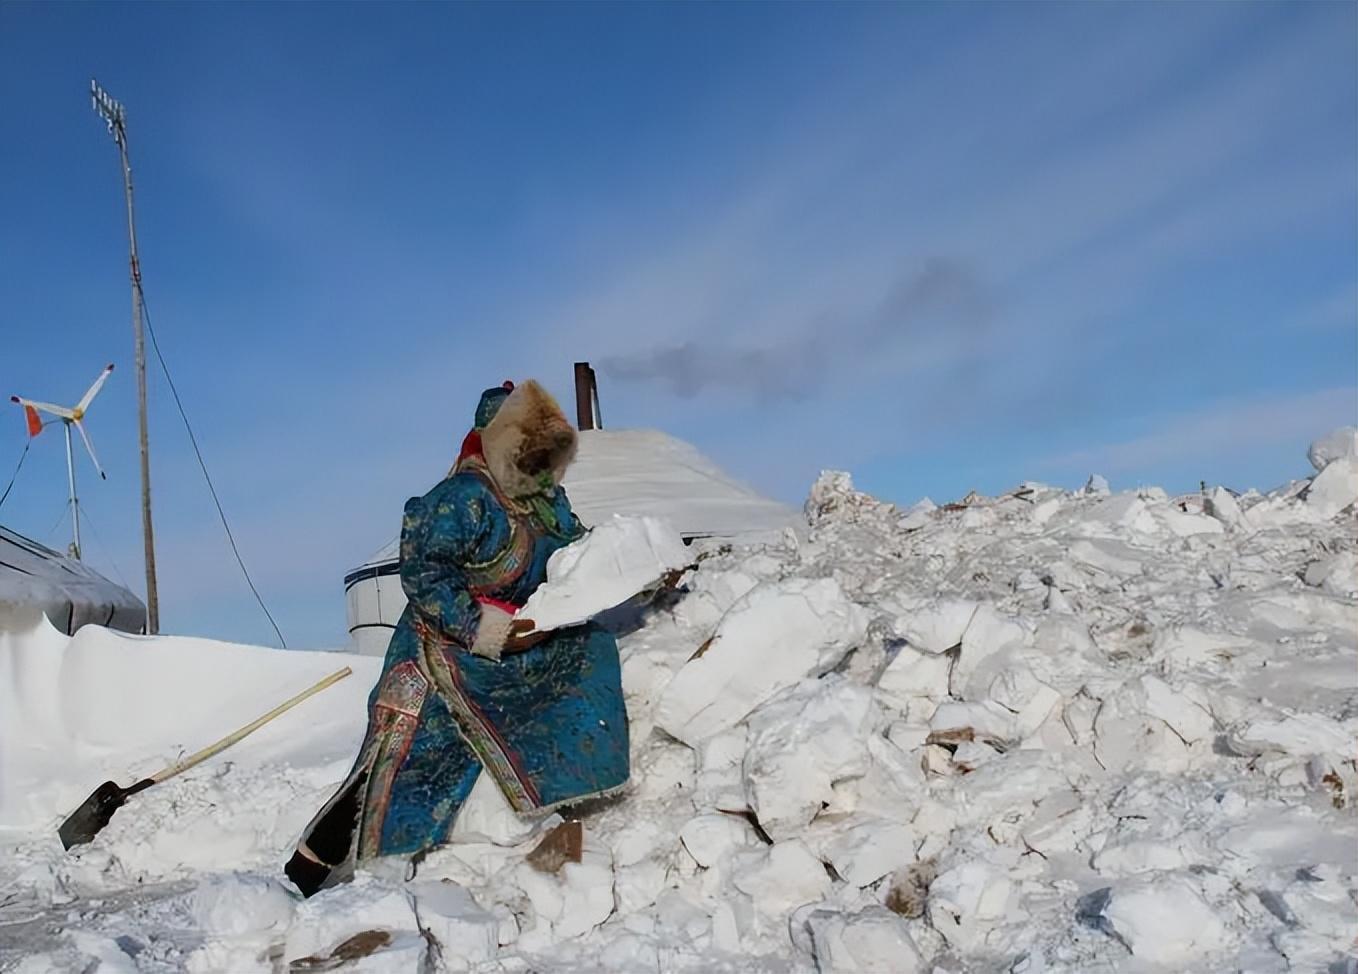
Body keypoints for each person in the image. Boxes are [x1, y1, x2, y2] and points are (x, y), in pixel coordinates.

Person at [285, 380, 630, 897]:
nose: (542, 463)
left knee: (586, 654)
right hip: (437, 657)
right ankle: (309, 873)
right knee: (393, 767)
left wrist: (631, 563)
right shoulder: (462, 500)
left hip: (508, 653)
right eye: (530, 450)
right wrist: (481, 627)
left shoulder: (546, 503)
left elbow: (577, 554)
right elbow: (425, 574)